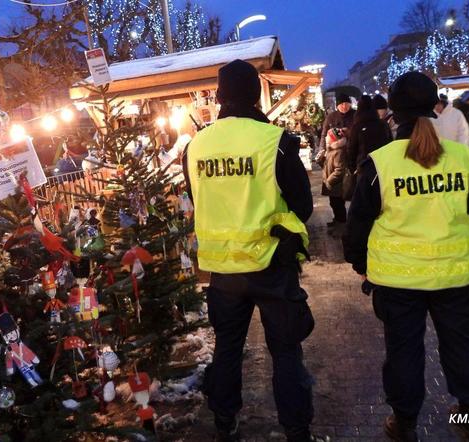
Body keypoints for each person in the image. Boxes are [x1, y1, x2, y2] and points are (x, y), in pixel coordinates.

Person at [342, 72, 469, 442]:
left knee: (404, 352)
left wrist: (361, 265)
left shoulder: (381, 163)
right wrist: (468, 248)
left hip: (398, 282)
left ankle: (405, 422)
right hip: (454, 277)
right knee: (461, 345)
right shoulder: (462, 158)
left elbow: (358, 223)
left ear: (392, 112)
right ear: (434, 106)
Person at [183, 59, 322, 442]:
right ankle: (296, 428)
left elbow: (198, 198)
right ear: (257, 94)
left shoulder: (196, 147)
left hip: (224, 271)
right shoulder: (273, 141)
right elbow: (303, 206)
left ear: (219, 96)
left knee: (228, 349)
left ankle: (225, 421)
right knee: (286, 351)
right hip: (271, 264)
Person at [318, 93, 355, 224]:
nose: (344, 106)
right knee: (334, 192)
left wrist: (348, 133)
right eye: (341, 104)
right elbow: (323, 135)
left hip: (350, 158)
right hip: (333, 157)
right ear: (337, 105)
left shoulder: (355, 115)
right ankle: (339, 218)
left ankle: (353, 220)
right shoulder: (331, 117)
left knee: (352, 189)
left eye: (346, 103)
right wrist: (322, 150)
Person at [347, 95, 393, 172]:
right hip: (382, 165)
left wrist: (352, 168)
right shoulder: (383, 124)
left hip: (363, 166)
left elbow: (351, 149)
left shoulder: (357, 126)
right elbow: (390, 143)